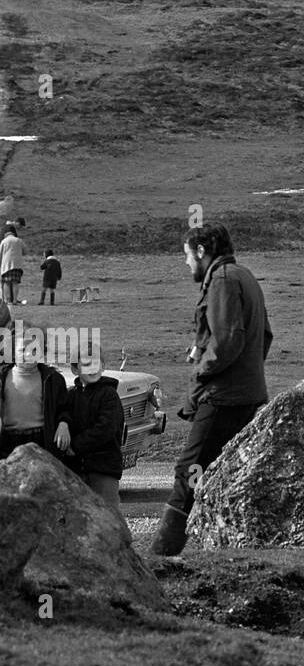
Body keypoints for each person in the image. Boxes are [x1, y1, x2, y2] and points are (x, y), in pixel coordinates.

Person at [152, 223, 272, 556]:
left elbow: (228, 340)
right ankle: (229, 548)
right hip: (245, 394)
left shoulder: (222, 280)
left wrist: (204, 373)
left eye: (188, 255)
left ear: (202, 251)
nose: (186, 263)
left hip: (223, 396)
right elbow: (263, 336)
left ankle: (163, 554)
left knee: (189, 469)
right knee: (220, 472)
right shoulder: (244, 276)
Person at [65, 352, 125, 510]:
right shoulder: (70, 396)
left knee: (110, 517)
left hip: (103, 468)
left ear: (103, 367)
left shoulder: (109, 395)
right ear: (74, 369)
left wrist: (75, 447)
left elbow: (105, 429)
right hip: (75, 469)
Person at [0, 336, 72, 460]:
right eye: (22, 350)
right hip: (7, 442)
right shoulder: (2, 377)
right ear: (12, 353)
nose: (28, 354)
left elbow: (64, 407)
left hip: (41, 440)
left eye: (34, 350)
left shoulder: (53, 379)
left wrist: (64, 423)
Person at [0, 223, 25, 304]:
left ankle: (7, 300)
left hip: (6, 265)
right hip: (17, 265)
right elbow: (25, 251)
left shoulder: (4, 241)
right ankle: (14, 300)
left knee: (6, 282)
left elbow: (0, 253)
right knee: (15, 282)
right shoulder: (19, 240)